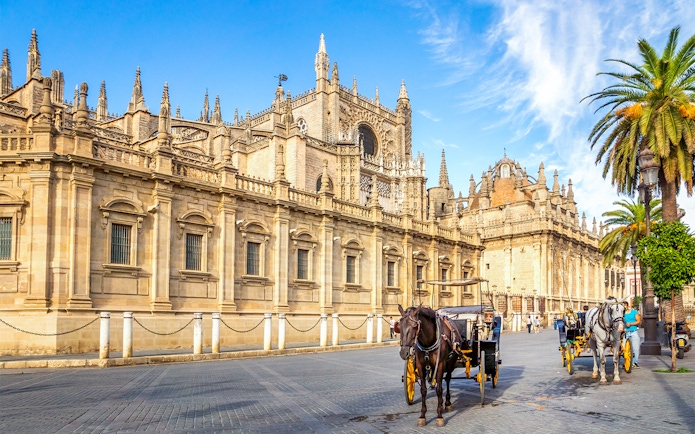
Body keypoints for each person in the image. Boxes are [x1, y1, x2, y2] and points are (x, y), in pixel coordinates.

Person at [624, 299, 641, 368]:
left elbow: (638, 321)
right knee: (624, 349)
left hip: (633, 331)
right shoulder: (621, 314)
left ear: (627, 306)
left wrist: (630, 324)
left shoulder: (634, 312)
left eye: (624, 306)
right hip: (625, 332)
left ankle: (635, 362)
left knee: (635, 348)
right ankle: (626, 362)